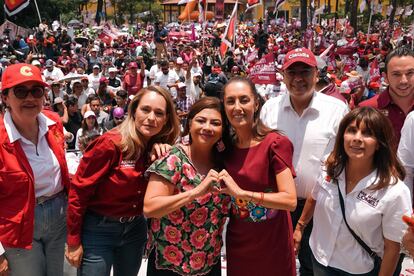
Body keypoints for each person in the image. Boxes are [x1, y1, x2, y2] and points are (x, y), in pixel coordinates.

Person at [65, 86, 180, 276]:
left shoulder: (159, 149)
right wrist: (73, 241)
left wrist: (165, 154)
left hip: (135, 230)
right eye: (146, 109)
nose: (151, 117)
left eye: (159, 113)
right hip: (98, 230)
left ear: (166, 119)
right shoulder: (110, 144)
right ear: (133, 111)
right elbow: (79, 191)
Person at [260, 47, 349, 276]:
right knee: (276, 264)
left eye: (305, 72)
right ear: (283, 75)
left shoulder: (337, 110)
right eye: (292, 72)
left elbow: (342, 161)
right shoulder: (269, 109)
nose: (298, 78)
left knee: (315, 267)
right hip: (277, 206)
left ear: (316, 75)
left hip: (320, 208)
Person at [296, 107, 412, 275]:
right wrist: (299, 227)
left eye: (367, 133)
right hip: (319, 259)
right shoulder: (328, 167)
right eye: (351, 130)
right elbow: (314, 197)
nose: (357, 138)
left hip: (358, 270)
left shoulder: (394, 192)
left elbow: (392, 248)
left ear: (379, 143)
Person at [144, 96, 231, 275]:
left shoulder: (224, 163)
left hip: (209, 263)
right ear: (189, 124)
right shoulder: (173, 159)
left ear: (223, 130)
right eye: (201, 120)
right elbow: (150, 208)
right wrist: (195, 192)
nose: (207, 127)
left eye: (215, 123)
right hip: (169, 265)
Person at [220, 77, 297, 275]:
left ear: (256, 103)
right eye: (231, 101)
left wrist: (241, 193)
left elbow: (289, 200)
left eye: (244, 100)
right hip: (238, 242)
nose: (237, 107)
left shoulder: (275, 144)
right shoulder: (224, 147)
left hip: (272, 243)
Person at [0, 63, 70, 276]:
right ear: (5, 98)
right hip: (18, 226)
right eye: (20, 91)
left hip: (60, 216)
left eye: (36, 91)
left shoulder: (54, 123)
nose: (29, 98)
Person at [359, 47, 414, 144]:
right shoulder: (366, 109)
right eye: (396, 74)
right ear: (385, 78)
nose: (404, 81)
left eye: (410, 73)